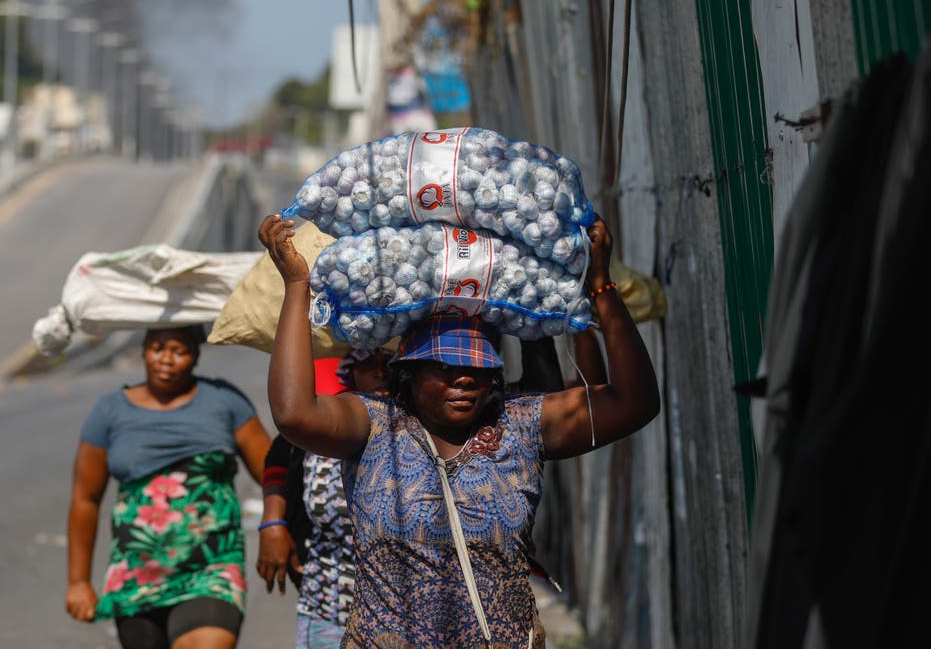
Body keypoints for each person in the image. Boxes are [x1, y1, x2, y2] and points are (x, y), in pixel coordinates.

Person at [257, 213, 659, 648]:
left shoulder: (520, 425)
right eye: (443, 367)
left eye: (477, 368)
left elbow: (635, 402)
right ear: (408, 373)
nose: (463, 378)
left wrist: (600, 286)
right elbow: (294, 414)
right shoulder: (374, 425)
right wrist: (297, 287)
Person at [65, 325, 273, 649]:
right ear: (144, 349)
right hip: (137, 575)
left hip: (211, 568)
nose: (167, 359)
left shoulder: (225, 402)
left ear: (196, 354)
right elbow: (85, 499)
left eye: (179, 350)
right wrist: (78, 582)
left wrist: (278, 527)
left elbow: (273, 476)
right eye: (157, 348)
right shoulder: (110, 412)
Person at [256, 349, 393, 649]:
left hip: (404, 613)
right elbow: (278, 455)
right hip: (327, 600)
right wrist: (273, 521)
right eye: (368, 363)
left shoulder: (428, 429)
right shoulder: (327, 421)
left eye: (390, 363)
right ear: (351, 370)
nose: (380, 372)